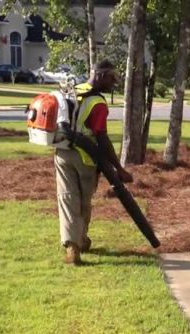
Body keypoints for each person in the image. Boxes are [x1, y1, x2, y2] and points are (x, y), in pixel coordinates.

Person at [54, 59, 133, 265]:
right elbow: (102, 138)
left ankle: (76, 241)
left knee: (67, 199)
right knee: (82, 202)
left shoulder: (71, 91)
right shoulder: (97, 103)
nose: (113, 83)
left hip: (63, 153)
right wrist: (118, 168)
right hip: (86, 159)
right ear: (100, 75)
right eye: (111, 78)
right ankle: (76, 243)